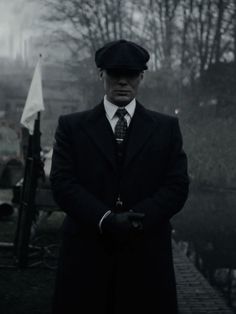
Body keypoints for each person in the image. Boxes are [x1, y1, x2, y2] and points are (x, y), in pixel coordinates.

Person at [50, 39, 189, 314]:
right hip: (87, 254)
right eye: (115, 73)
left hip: (146, 255)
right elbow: (63, 183)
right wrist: (106, 219)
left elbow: (176, 186)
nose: (123, 81)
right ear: (101, 74)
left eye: (131, 74)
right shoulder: (71, 127)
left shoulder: (166, 128)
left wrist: (137, 219)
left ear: (142, 76)